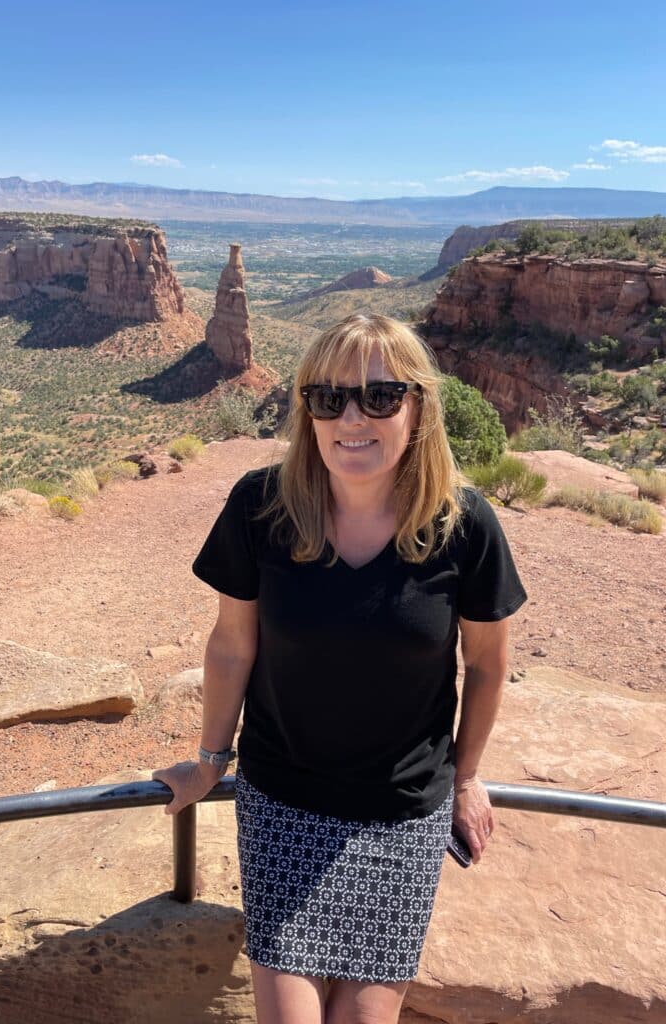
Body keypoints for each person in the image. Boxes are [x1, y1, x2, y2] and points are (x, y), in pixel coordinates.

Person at [153, 312, 527, 1024]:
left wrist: (469, 774)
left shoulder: (464, 524)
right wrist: (209, 760)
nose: (352, 417)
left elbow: (486, 662)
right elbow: (233, 644)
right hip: (285, 798)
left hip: (402, 808)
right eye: (328, 399)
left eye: (380, 397)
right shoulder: (261, 507)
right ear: (307, 411)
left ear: (418, 407)